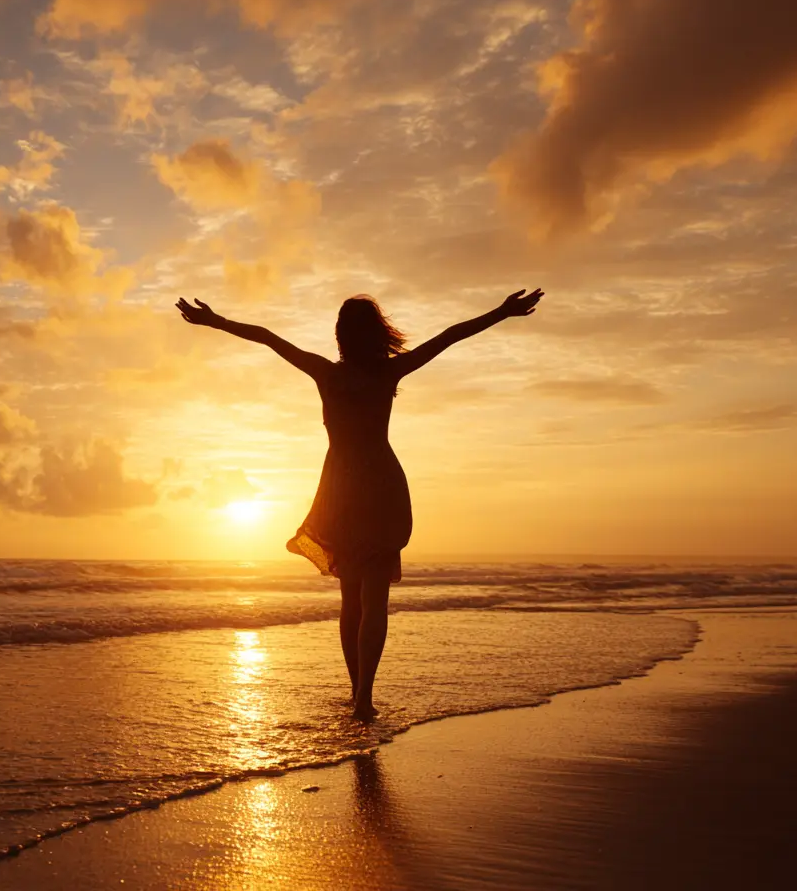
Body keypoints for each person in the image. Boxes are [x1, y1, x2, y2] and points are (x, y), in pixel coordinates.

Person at [176, 288, 544, 719]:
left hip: (341, 489)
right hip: (383, 485)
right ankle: (364, 695)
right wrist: (501, 312)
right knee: (375, 600)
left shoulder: (326, 374)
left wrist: (215, 320)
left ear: (340, 336)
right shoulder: (389, 372)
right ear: (375, 333)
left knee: (351, 599)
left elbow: (268, 337)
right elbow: (450, 336)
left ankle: (358, 693)